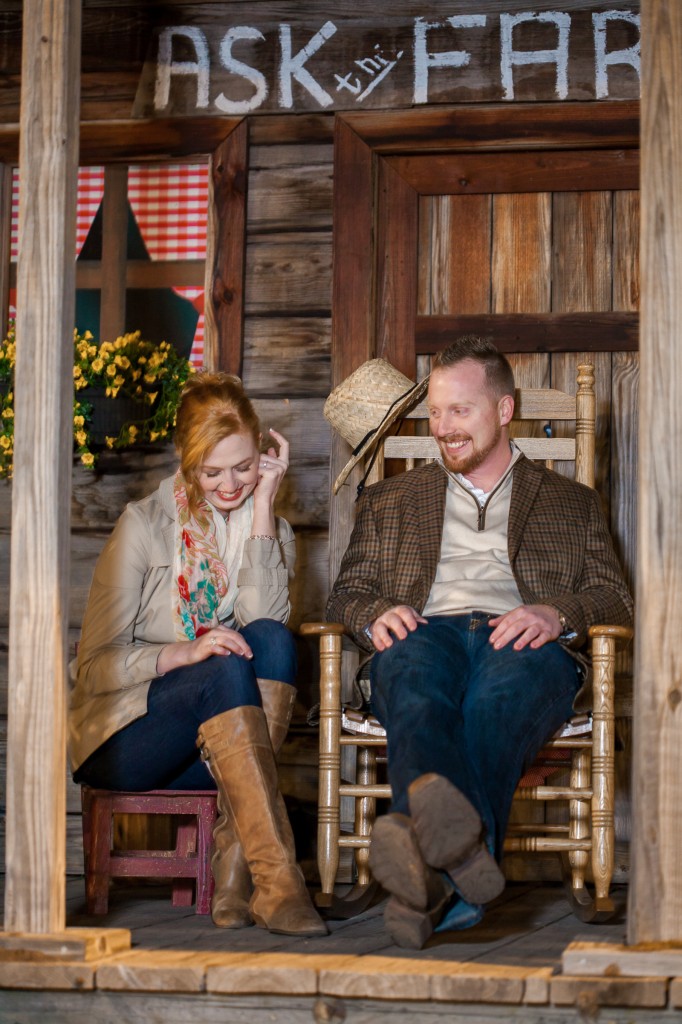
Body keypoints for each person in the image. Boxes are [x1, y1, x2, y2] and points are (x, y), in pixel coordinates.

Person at [326, 336, 633, 949]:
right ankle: (457, 886)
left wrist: (557, 612)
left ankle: (428, 875)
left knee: (492, 709)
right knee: (415, 693)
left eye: (459, 411)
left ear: (504, 410)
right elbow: (345, 595)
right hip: (423, 632)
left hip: (521, 641)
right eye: (435, 413)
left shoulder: (572, 503)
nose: (443, 428)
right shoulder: (391, 501)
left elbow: (615, 598)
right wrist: (375, 612)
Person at [69, 371, 326, 937]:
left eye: (243, 467)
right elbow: (91, 668)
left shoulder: (273, 527)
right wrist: (182, 653)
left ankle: (236, 876)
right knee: (224, 664)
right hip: (129, 736)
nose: (230, 484)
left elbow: (266, 625)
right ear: (187, 461)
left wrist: (264, 509)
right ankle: (278, 885)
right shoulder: (144, 525)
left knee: (272, 643)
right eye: (212, 472)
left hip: (219, 741)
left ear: (262, 454)